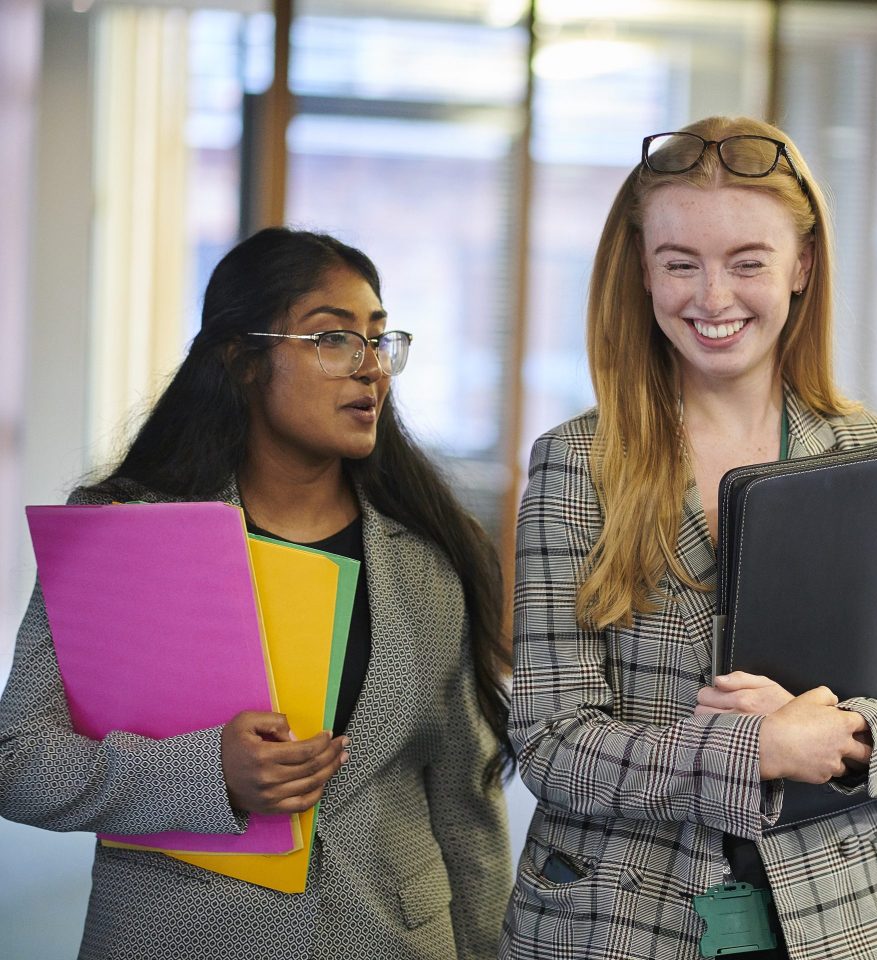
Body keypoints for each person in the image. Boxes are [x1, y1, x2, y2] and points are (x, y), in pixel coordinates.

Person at [500, 116, 877, 960]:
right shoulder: (576, 464)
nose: (713, 298)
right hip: (621, 923)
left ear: (802, 266)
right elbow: (552, 744)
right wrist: (756, 750)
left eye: (748, 262)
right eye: (679, 263)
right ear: (641, 270)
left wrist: (845, 736)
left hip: (845, 923)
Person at [0, 228, 512, 959]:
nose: (371, 369)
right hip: (180, 935)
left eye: (379, 339)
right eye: (334, 339)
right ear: (243, 361)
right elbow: (15, 760)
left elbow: (468, 801)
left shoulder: (432, 555)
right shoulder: (124, 532)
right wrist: (210, 774)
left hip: (390, 939)